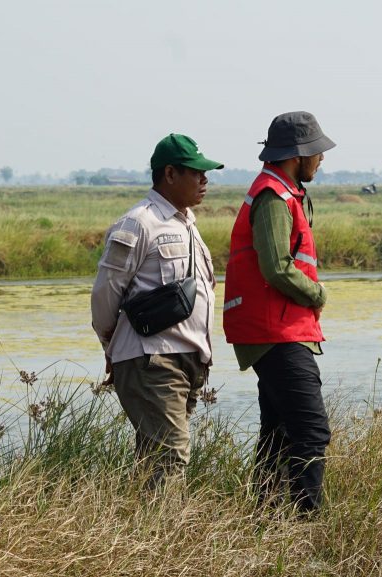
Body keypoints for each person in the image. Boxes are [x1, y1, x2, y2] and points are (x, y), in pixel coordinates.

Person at [91, 133, 224, 485]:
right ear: (169, 174)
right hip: (153, 359)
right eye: (196, 172)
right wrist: (112, 346)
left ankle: (146, 533)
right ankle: (167, 536)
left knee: (157, 458)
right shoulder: (138, 222)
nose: (204, 180)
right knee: (169, 457)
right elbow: (106, 294)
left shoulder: (188, 225)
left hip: (188, 359)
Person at [222, 111, 335, 513]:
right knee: (311, 430)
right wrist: (316, 293)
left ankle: (267, 521)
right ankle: (306, 525)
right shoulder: (273, 196)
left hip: (278, 329)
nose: (321, 160)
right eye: (317, 152)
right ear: (298, 155)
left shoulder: (283, 190)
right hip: (276, 331)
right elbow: (276, 266)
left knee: (279, 431)